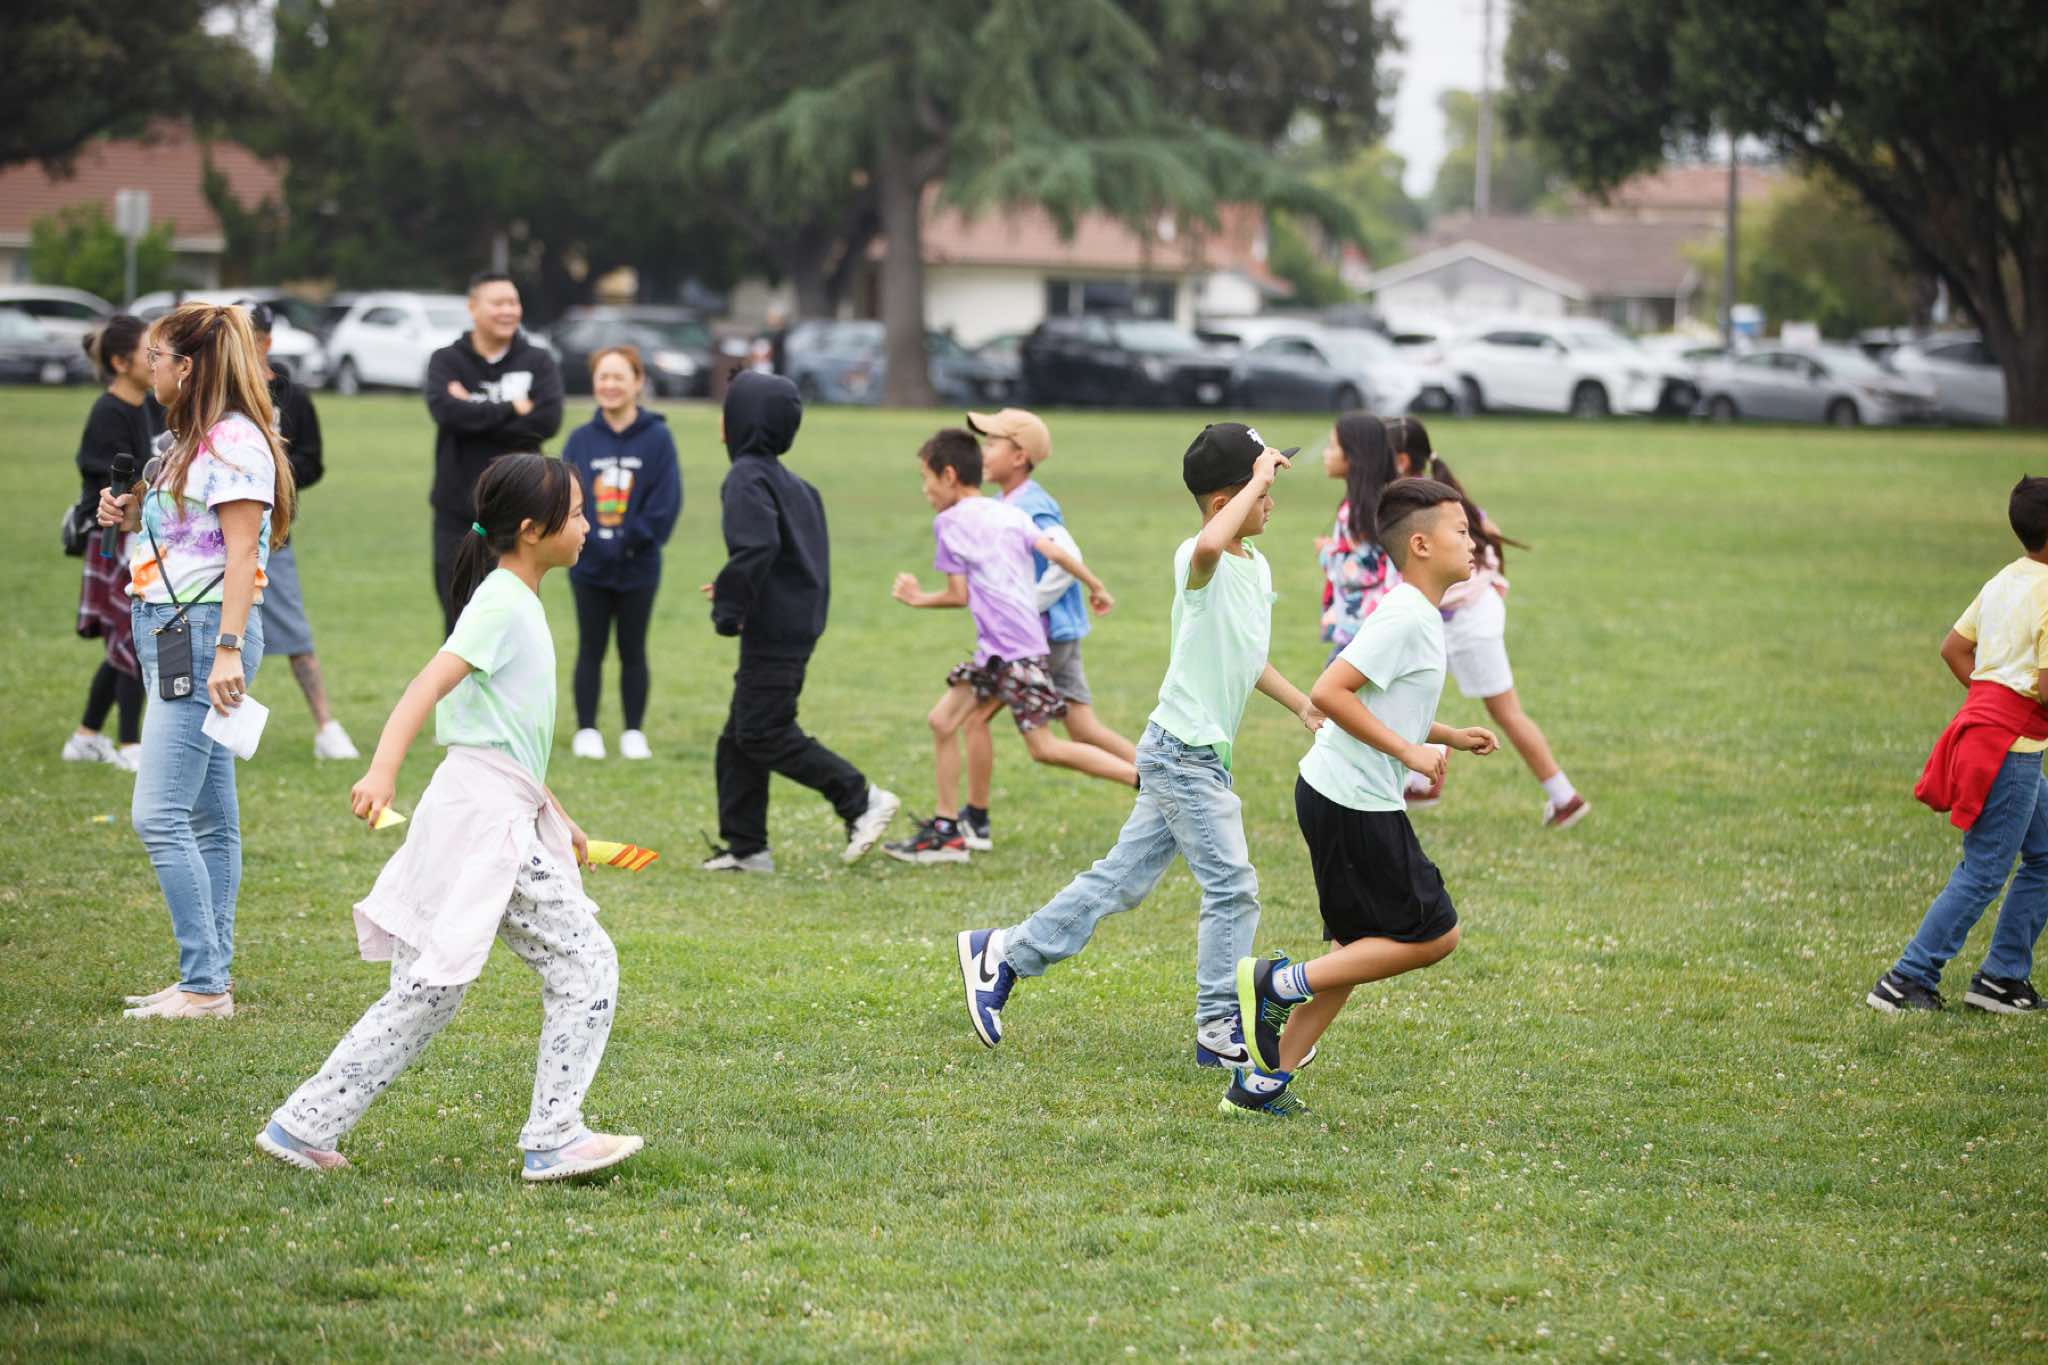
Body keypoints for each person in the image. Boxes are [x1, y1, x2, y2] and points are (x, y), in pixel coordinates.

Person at [257, 453, 644, 1180]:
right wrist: (381, 769)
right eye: (576, 513)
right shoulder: (502, 604)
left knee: (427, 992)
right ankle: (554, 1135)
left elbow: (502, 734)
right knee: (585, 961)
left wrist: (558, 814)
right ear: (531, 530)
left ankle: (301, 1126)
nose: (588, 525)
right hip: (483, 822)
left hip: (481, 807)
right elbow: (425, 686)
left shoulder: (515, 600)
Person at [954, 423, 1323, 1067]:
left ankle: (1003, 953)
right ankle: (1220, 1026)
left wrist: (1303, 704)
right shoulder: (1197, 558)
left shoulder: (1255, 565)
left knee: (1120, 881)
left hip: (1196, 753)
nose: (1271, 502)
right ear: (1224, 502)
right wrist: (1256, 478)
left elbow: (1247, 657)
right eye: (1262, 491)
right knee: (1233, 885)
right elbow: (1208, 543)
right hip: (1181, 753)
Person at [1227, 477, 1498, 1117]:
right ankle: (1277, 982)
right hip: (1353, 800)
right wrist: (1409, 753)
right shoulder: (1406, 616)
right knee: (1436, 935)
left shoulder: (1417, 614)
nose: (1474, 542)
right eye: (1463, 531)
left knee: (1354, 952)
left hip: (1338, 794)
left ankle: (1259, 1086)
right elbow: (1331, 692)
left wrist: (1446, 736)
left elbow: (1384, 702)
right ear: (1422, 545)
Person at [97, 303, 294, 1020]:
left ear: (187, 367)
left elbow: (243, 554)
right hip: (173, 625)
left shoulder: (235, 441)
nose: (148, 367)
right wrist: (131, 514)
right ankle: (208, 978)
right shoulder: (189, 439)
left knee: (158, 815)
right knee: (210, 817)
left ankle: (204, 984)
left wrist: (228, 651)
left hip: (206, 633)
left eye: (156, 356)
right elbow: (192, 534)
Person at [885, 427, 1135, 864]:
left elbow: (957, 595)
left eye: (926, 479)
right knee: (943, 721)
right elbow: (1057, 553)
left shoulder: (948, 523)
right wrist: (1096, 585)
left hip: (1012, 654)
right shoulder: (1007, 512)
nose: (924, 490)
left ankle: (1148, 782)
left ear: (948, 476)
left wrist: (916, 598)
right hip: (1004, 652)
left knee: (1045, 748)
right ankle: (948, 830)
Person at [702, 370, 899, 872]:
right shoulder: (799, 487)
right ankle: (747, 847)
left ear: (744, 421)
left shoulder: (745, 477)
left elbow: (757, 547)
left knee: (762, 731)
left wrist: (729, 609)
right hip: (796, 623)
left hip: (772, 629)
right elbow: (793, 560)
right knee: (738, 735)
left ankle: (860, 798)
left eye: (729, 410)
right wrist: (734, 587)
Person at [1869, 476, 2048, 1015]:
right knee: (1984, 870)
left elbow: (1953, 649)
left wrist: (1993, 702)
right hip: (2010, 752)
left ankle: (2001, 978)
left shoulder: (2004, 580)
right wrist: (2007, 709)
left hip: (1991, 737)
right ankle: (1906, 977)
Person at [1389, 416, 1587, 829]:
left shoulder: (1415, 508)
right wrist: (1496, 581)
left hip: (1464, 621)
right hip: (1467, 616)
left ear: (1402, 460)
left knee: (1504, 712)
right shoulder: (1445, 496)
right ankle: (1424, 778)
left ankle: (1564, 797)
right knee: (1406, 688)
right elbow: (1489, 533)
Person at [953, 408, 1135, 852]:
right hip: (1058, 634)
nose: (983, 452)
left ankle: (975, 820)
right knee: (1083, 729)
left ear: (1019, 457)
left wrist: (1022, 608)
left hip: (1039, 638)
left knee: (974, 719)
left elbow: (1066, 556)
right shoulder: (1009, 501)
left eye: (992, 444)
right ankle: (1178, 785)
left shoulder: (1030, 505)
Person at [244, 300, 360, 761]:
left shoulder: (292, 398)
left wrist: (275, 470)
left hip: (271, 536)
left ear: (266, 341)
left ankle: (326, 726)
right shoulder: (215, 394)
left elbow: (313, 462)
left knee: (295, 634)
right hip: (212, 538)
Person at [425, 270, 563, 635]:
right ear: (473, 307)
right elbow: (446, 413)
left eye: (513, 303)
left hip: (519, 518)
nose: (508, 311)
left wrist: (472, 408)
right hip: (457, 516)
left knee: (514, 623)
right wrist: (512, 407)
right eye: (498, 303)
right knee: (459, 623)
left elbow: (546, 422)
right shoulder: (446, 360)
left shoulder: (538, 361)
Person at [563, 345, 681, 761]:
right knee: (590, 647)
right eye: (603, 377)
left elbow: (666, 503)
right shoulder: (580, 439)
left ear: (638, 382)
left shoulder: (658, 438)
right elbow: (566, 498)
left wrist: (628, 541)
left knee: (633, 648)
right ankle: (587, 730)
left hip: (639, 566)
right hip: (588, 564)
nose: (610, 385)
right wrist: (595, 541)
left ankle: (633, 731)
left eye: (619, 377)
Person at [67, 314, 152, 774]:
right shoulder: (109, 412)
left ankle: (85, 737)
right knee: (132, 638)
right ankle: (130, 743)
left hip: (137, 536)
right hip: (112, 539)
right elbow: (111, 482)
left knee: (126, 639)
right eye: (148, 351)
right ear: (120, 362)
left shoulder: (147, 406)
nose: (157, 360)